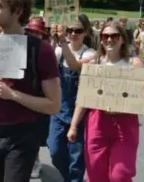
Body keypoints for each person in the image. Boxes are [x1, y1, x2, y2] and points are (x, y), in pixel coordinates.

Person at [0, 0, 61, 182]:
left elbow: (54, 105)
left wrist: (12, 94)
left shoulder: (41, 50)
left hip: (22, 136)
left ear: (17, 11)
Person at [68, 21, 144, 182]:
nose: (109, 39)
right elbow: (83, 98)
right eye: (105, 36)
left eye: (114, 36)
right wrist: (74, 126)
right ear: (101, 39)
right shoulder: (94, 64)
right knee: (96, 172)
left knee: (120, 175)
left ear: (122, 39)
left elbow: (142, 96)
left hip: (125, 123)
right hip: (98, 121)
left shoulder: (134, 64)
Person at [47, 18, 96, 182]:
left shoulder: (90, 54)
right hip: (59, 110)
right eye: (70, 30)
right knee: (54, 151)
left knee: (76, 158)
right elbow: (47, 64)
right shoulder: (60, 51)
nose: (73, 34)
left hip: (80, 112)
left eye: (78, 30)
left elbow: (74, 64)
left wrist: (62, 41)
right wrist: (54, 40)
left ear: (86, 32)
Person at [24, 17, 51, 179]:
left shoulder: (47, 50)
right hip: (24, 96)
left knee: (36, 133)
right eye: (31, 31)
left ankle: (34, 159)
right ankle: (31, 159)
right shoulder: (22, 48)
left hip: (41, 99)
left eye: (37, 32)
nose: (34, 35)